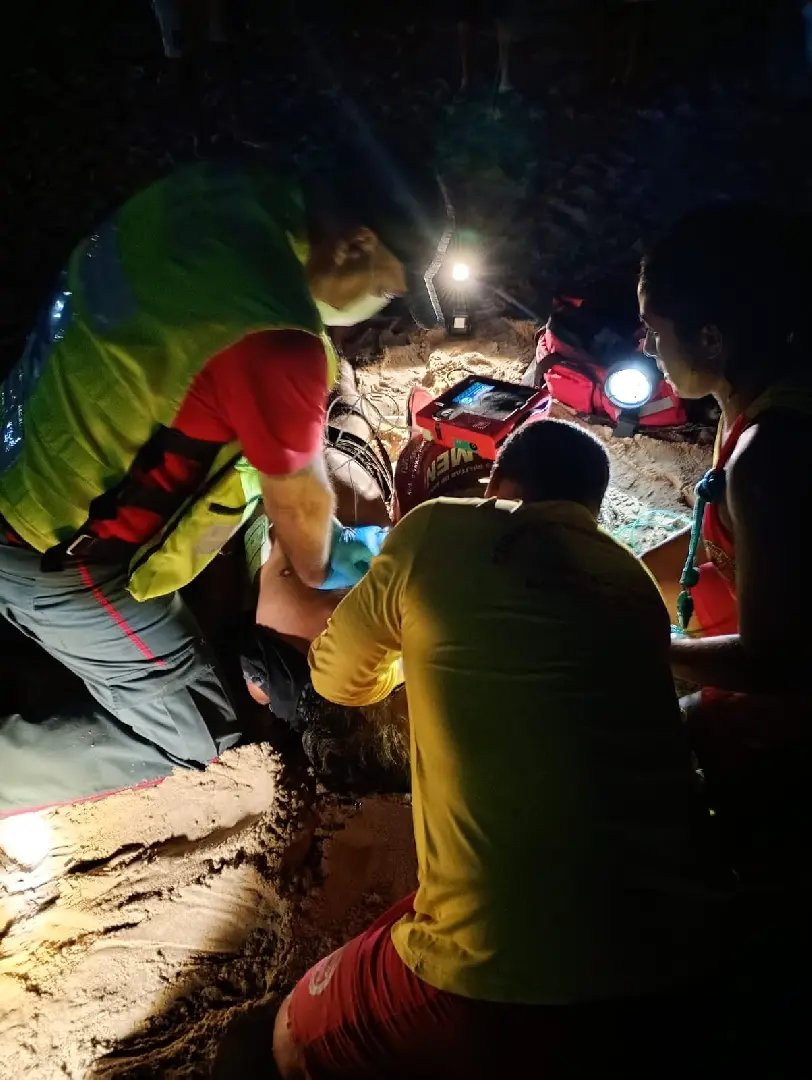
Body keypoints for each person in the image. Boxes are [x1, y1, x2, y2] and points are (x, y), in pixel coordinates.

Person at [0, 147, 452, 815]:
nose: (378, 305)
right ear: (357, 243)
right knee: (206, 735)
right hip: (55, 547)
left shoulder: (213, 195)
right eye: (387, 289)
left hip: (23, 445)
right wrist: (354, 555)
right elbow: (308, 547)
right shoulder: (277, 336)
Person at [273, 417, 717, 1079]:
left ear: (496, 485)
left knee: (291, 1036)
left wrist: (418, 650)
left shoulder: (436, 528)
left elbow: (338, 678)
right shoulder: (632, 582)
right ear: (592, 511)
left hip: (505, 978)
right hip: (681, 951)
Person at [639, 203, 812, 865]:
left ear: (711, 339)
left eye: (655, 332)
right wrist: (613, 574)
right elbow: (708, 546)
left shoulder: (768, 460)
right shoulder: (754, 395)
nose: (648, 350)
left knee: (668, 734)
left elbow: (774, 661)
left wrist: (649, 646)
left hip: (794, 704)